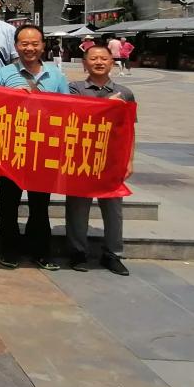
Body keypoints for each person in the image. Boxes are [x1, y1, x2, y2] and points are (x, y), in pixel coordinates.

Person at [0, 24, 71, 271]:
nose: (29, 48)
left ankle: (41, 252)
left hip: (44, 150)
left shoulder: (56, 76)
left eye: (35, 43)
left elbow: (68, 110)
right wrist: (10, 97)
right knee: (8, 204)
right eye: (24, 43)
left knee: (40, 204)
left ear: (43, 46)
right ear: (16, 46)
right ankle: (9, 251)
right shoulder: (2, 74)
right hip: (11, 149)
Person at [66, 44, 135, 276]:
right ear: (84, 63)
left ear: (112, 63)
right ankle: (78, 252)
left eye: (104, 58)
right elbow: (75, 115)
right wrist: (107, 106)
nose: (98, 62)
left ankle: (113, 254)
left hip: (112, 159)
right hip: (82, 156)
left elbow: (129, 129)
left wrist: (129, 160)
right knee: (78, 207)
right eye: (93, 58)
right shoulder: (74, 89)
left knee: (113, 209)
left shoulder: (125, 93)